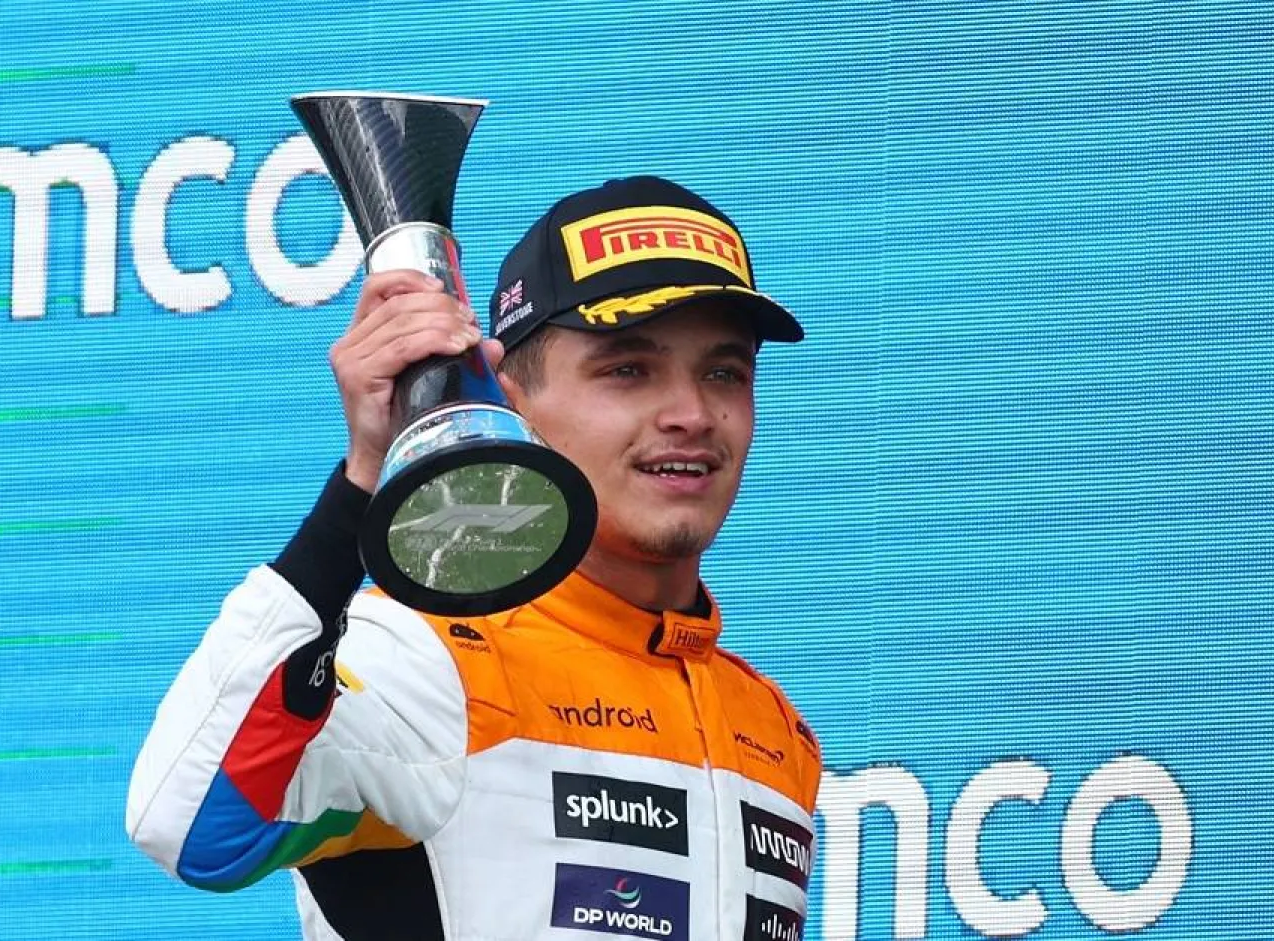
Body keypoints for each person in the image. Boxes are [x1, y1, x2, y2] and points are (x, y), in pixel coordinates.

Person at [126, 175, 821, 941]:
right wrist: (362, 483)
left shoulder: (772, 726)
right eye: (628, 369)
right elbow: (187, 822)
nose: (691, 414)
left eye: (724, 372)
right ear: (510, 402)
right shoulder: (425, 657)